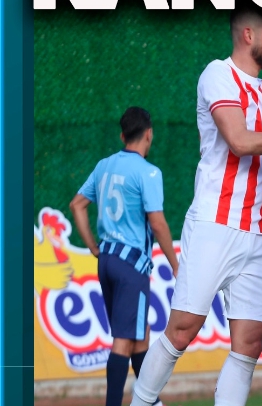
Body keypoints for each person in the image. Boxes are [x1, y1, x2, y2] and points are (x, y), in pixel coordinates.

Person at [130, 0, 262, 406]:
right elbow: (240, 141)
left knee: (251, 342)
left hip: (261, 230)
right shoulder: (218, 74)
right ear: (249, 35)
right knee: (183, 329)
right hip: (217, 222)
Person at [69, 107, 179, 406]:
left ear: (122, 136)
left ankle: (151, 401)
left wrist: (93, 247)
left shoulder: (104, 165)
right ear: (149, 134)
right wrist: (176, 265)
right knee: (124, 339)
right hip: (131, 265)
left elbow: (77, 205)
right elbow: (158, 223)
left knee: (139, 335)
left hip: (107, 260)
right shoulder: (148, 172)